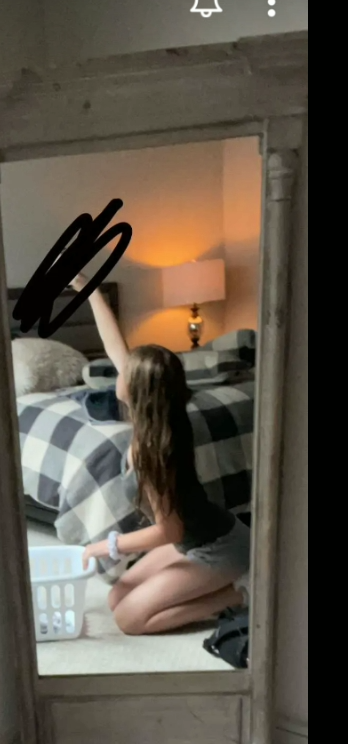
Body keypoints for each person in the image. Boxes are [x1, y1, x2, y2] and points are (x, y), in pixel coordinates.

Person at [70, 272, 250, 636]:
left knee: (128, 619)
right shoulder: (160, 415)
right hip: (193, 541)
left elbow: (170, 529)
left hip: (219, 547)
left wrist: (105, 546)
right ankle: (214, 586)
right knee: (116, 598)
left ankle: (240, 594)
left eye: (126, 372)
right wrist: (89, 289)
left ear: (139, 391)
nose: (118, 371)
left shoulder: (155, 450)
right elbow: (114, 344)